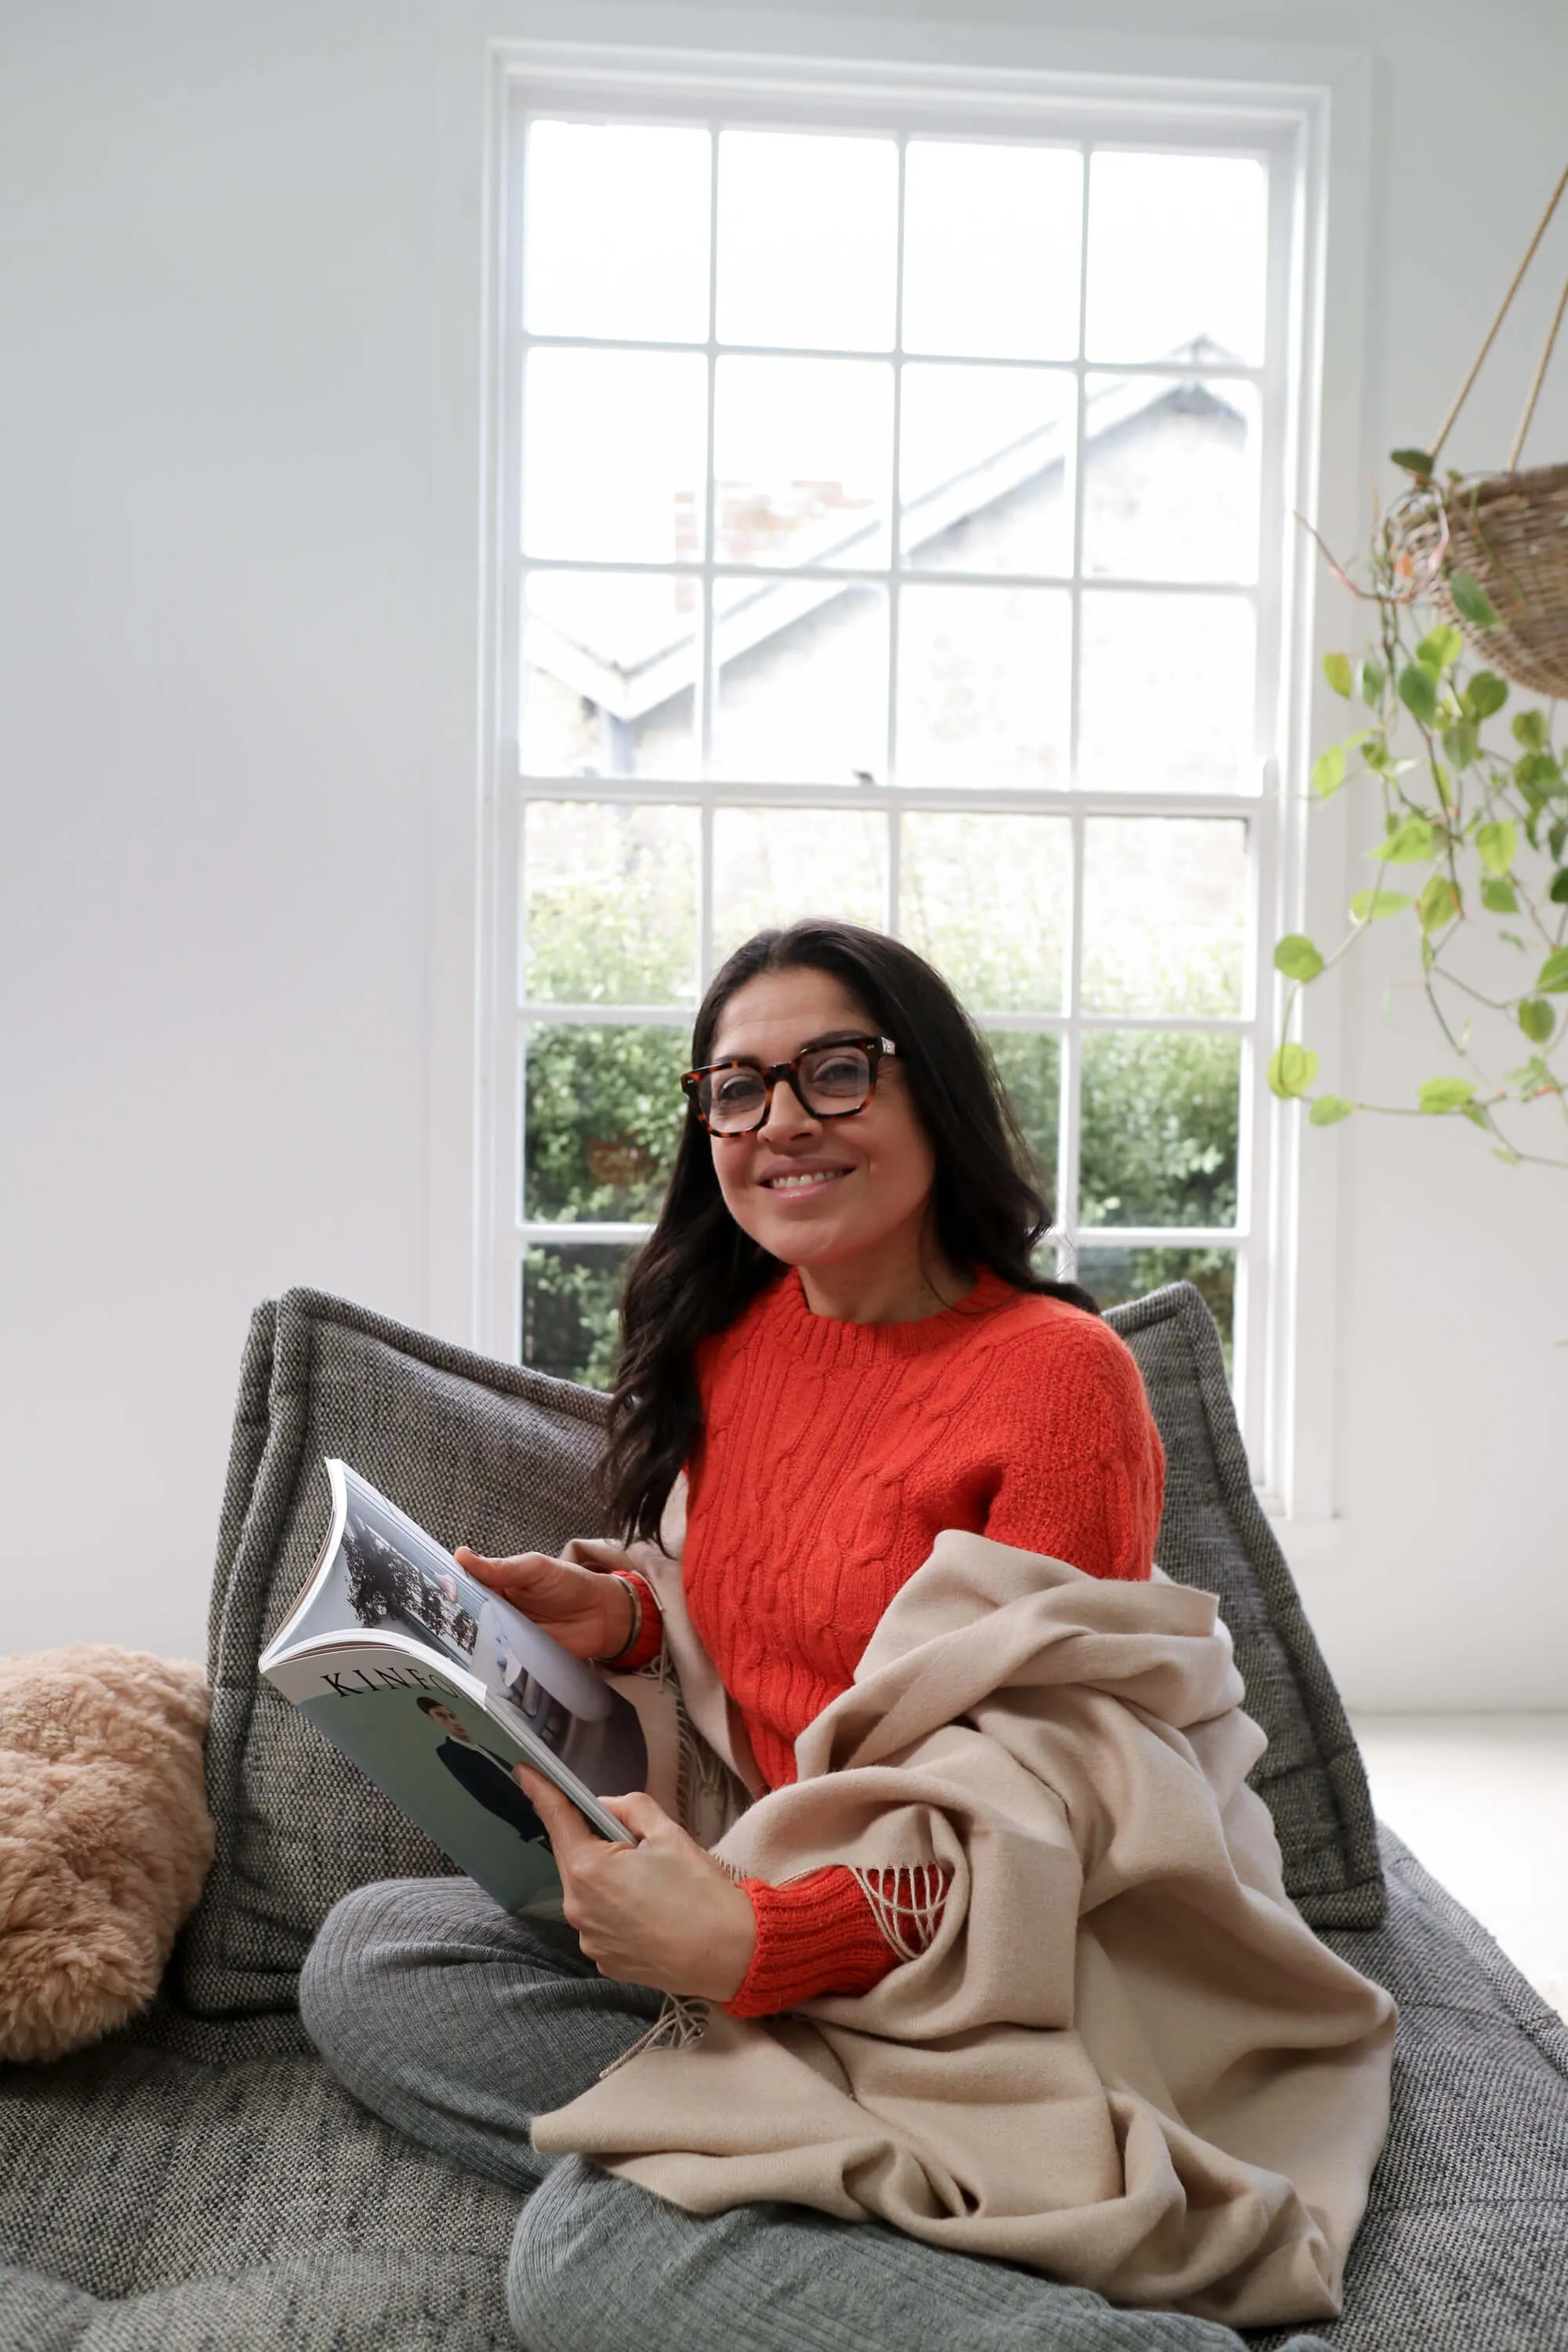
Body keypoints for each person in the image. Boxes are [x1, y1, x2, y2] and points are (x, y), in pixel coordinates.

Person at [300, 920, 1185, 2352]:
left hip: (955, 1978)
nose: (782, 1122)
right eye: (738, 1086)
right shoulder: (744, 1331)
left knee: (584, 2266)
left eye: (836, 1072)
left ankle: (802, 2201)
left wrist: (765, 1941)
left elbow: (1047, 1808)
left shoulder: (1058, 1383)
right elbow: (779, 1618)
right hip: (747, 1913)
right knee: (371, 1951)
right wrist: (628, 1611)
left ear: (931, 1093)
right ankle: (792, 2182)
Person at [415, 1694, 548, 1845]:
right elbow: (485, 1797)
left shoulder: (477, 1747)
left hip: (542, 1805)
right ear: (431, 1719)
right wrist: (528, 1826)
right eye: (441, 1716)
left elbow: (508, 1775)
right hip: (534, 1821)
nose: (452, 1721)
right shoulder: (449, 1752)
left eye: (452, 1715)